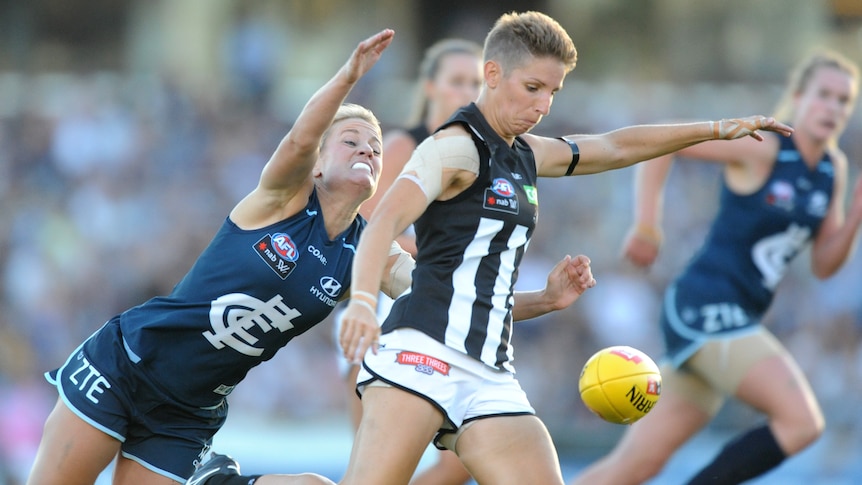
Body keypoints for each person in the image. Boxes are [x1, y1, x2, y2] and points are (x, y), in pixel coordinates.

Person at [334, 11, 794, 485]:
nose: (544, 104)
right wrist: (364, 305)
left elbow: (614, 148)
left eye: (553, 92)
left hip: (490, 374)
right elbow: (381, 222)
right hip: (419, 355)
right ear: (492, 74)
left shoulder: (527, 152)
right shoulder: (453, 147)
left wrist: (715, 128)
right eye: (533, 87)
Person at [26, 29, 399, 485]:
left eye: (376, 148)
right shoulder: (281, 200)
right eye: (351, 140)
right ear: (318, 165)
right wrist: (348, 77)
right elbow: (301, 141)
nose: (367, 149)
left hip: (188, 413)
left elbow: (452, 294)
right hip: (129, 365)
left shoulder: (369, 249)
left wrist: (510, 304)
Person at [571, 51, 862, 485]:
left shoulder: (831, 170)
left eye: (844, 100)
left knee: (635, 467)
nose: (833, 108)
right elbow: (664, 147)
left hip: (732, 320)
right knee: (802, 422)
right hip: (703, 305)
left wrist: (855, 210)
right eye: (824, 95)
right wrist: (648, 223)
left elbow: (823, 266)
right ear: (798, 97)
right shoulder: (764, 146)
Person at [334, 37, 482, 485]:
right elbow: (364, 227)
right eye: (457, 81)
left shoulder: (485, 156)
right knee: (373, 463)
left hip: (451, 313)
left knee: (462, 463)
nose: (469, 92)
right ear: (431, 87)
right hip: (385, 306)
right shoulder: (403, 145)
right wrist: (441, 253)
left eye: (477, 82)